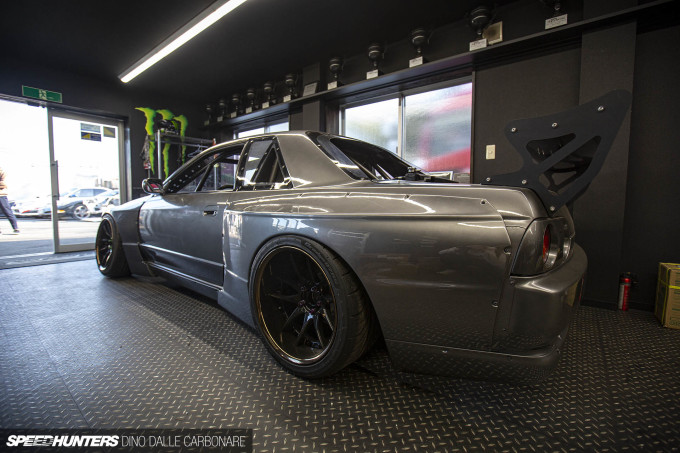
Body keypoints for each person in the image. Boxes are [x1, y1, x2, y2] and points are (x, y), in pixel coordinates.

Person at [0, 165, 20, 234]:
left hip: (1, 195)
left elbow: (4, 183)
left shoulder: (2, 172)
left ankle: (15, 228)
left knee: (7, 211)